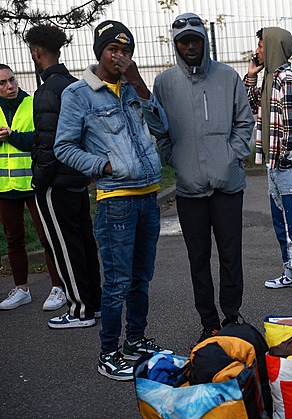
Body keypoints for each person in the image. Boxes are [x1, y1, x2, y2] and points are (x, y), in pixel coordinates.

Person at [54, 20, 173, 380]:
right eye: (113, 50)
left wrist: (138, 83)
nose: (120, 56)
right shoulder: (78, 94)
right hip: (116, 201)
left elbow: (162, 127)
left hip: (149, 196)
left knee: (141, 278)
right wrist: (101, 165)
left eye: (126, 51)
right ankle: (109, 352)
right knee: (118, 281)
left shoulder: (133, 87)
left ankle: (135, 341)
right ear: (99, 52)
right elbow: (63, 147)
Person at [153, 13, 255, 343]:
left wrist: (231, 156)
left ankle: (231, 315)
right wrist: (177, 161)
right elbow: (161, 133)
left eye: (195, 39)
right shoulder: (164, 83)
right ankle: (208, 321)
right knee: (198, 259)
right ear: (176, 44)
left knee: (230, 255)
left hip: (227, 185)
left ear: (204, 41)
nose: (190, 46)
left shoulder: (227, 77)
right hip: (189, 189)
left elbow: (244, 122)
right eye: (183, 41)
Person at [26, 24, 102, 329]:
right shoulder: (75, 84)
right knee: (84, 241)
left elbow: (47, 142)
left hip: (55, 183)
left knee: (64, 245)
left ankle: (80, 310)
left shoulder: (47, 90)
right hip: (78, 178)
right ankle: (92, 303)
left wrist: (37, 182)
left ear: (37, 51)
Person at [244, 27, 292, 297]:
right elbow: (252, 106)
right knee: (282, 221)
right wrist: (251, 77)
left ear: (274, 47)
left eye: (261, 46)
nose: (257, 51)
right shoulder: (269, 78)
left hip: (285, 165)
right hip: (273, 164)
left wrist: (284, 161)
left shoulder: (286, 80)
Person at [0, 64, 65, 311]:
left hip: (33, 182)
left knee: (47, 235)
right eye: (3, 83)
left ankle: (59, 288)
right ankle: (21, 290)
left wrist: (12, 136)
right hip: (4, 187)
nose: (10, 86)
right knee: (13, 239)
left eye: (12, 80)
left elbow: (41, 138)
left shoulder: (32, 103)